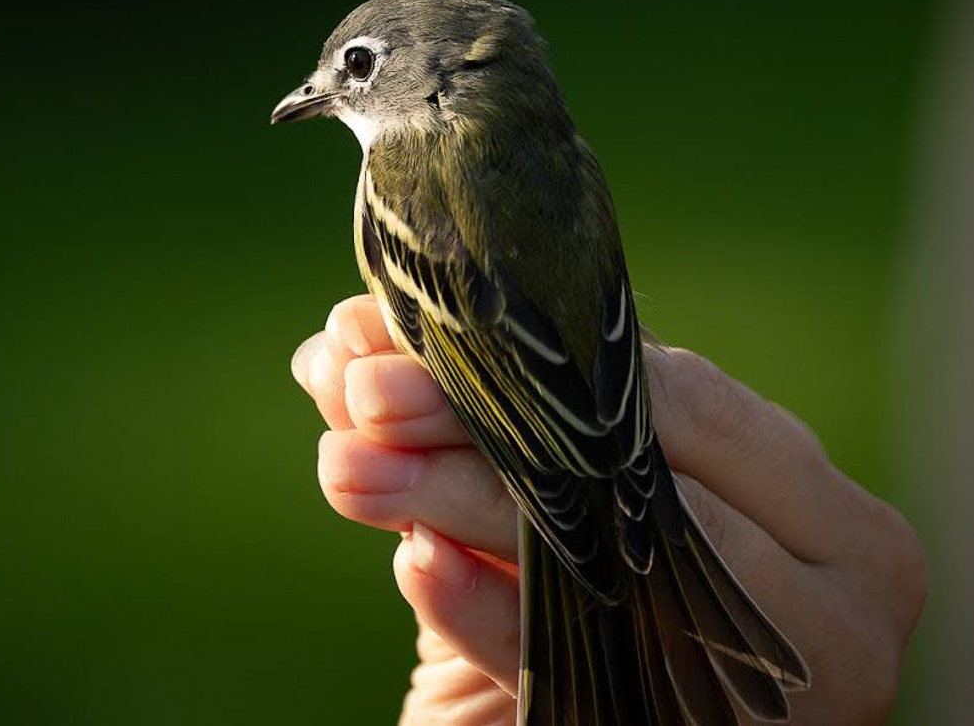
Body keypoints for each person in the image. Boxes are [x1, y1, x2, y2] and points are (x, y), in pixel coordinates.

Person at [293, 295, 928, 725]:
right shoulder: (568, 164)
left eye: (357, 80)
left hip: (530, 434)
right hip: (605, 420)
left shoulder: (400, 182)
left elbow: (477, 361)